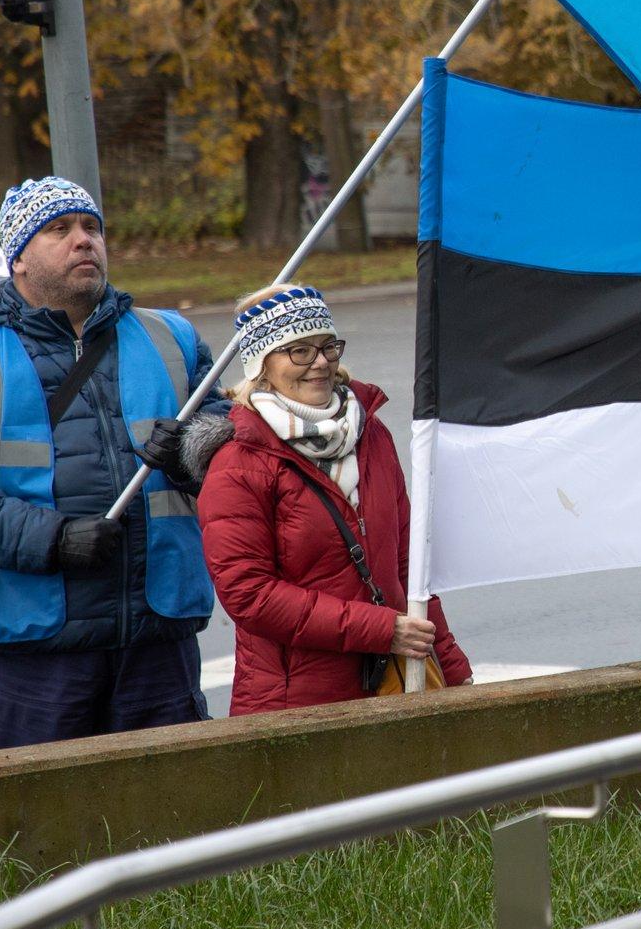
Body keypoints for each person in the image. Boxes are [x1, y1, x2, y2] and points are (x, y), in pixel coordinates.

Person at [0, 176, 223, 747]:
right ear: (18, 259)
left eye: (91, 227)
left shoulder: (172, 337)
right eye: (59, 230)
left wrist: (192, 451)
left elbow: (232, 448)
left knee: (172, 822)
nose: (84, 240)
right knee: (40, 825)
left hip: (157, 634)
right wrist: (53, 540)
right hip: (40, 646)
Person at [192, 284, 472, 713]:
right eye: (299, 351)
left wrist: (451, 667)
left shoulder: (371, 434)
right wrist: (381, 630)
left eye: (327, 347)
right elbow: (250, 595)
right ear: (261, 366)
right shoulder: (239, 461)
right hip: (294, 704)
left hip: (391, 686)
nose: (320, 362)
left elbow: (409, 566)